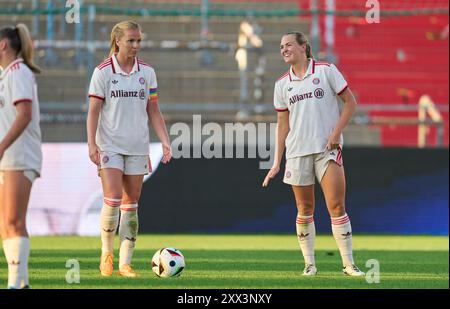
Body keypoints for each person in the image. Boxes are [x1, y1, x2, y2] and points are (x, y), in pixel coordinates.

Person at [262, 31, 364, 277]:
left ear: (303, 47)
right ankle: (309, 264)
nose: (284, 49)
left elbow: (350, 103)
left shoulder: (327, 70)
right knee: (304, 208)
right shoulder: (281, 84)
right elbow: (283, 124)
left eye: (288, 45)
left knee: (336, 205)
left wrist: (335, 134)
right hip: (297, 153)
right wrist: (276, 161)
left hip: (326, 150)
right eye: (281, 46)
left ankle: (348, 264)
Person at [87, 21, 171, 277]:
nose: (136, 45)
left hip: (137, 146)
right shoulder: (102, 72)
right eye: (131, 41)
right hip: (110, 144)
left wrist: (165, 141)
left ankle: (125, 263)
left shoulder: (147, 72)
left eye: (138, 41)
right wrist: (92, 143)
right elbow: (93, 111)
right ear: (118, 42)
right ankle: (106, 254)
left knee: (131, 203)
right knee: (112, 198)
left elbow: (153, 110)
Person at [0, 24, 42, 288]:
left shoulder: (19, 71)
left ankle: (16, 283)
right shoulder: (6, 75)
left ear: (3, 45)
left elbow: (24, 114)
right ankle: (20, 282)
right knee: (6, 224)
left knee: (14, 221)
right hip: (8, 156)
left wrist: (2, 145)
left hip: (19, 154)